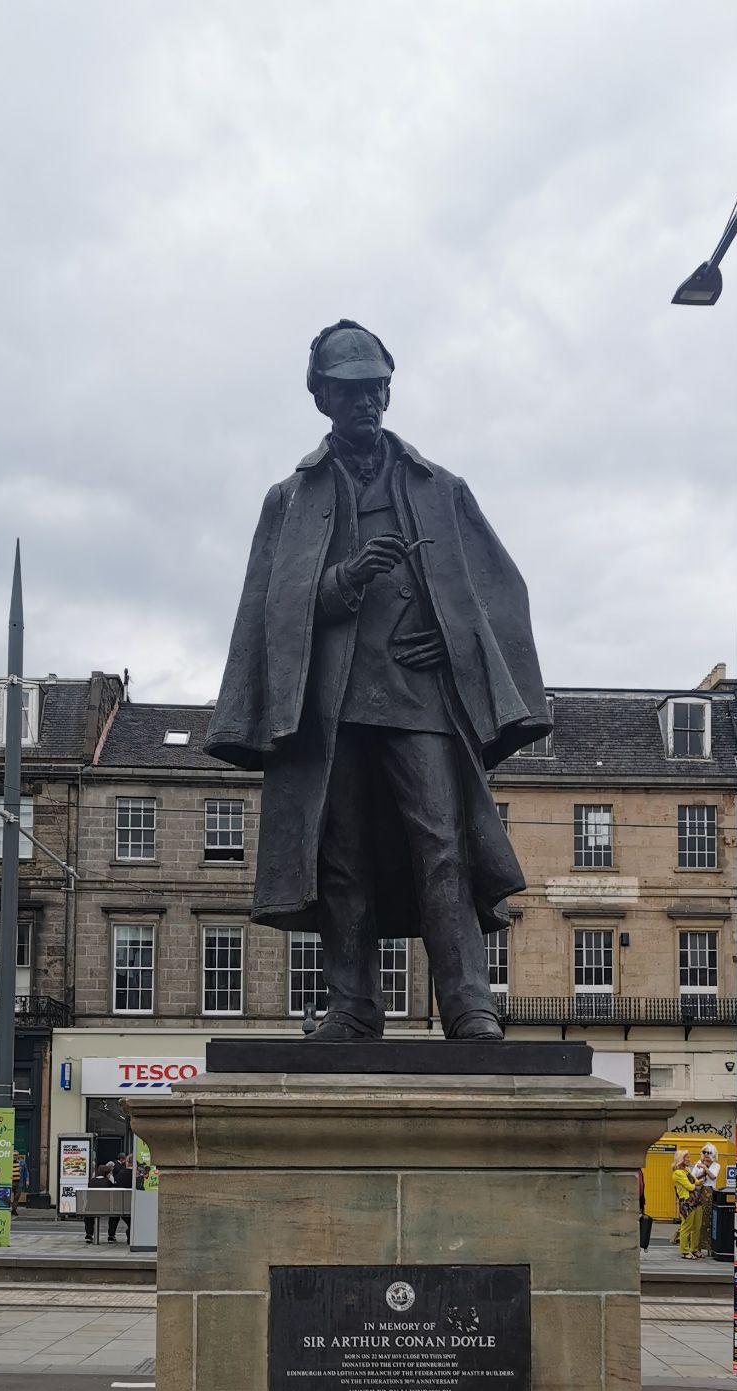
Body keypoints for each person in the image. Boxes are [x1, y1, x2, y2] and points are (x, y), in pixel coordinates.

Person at [207, 320, 551, 1042]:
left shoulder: (441, 489)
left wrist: (451, 641)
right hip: (328, 706)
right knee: (340, 854)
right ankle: (353, 1005)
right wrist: (342, 580)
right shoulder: (289, 498)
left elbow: (499, 595)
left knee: (444, 843)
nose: (367, 401)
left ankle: (468, 1004)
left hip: (418, 699)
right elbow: (269, 609)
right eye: (351, 390)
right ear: (322, 397)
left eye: (377, 388)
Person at [84, 1156, 132, 1244]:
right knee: (114, 1216)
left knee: (89, 1218)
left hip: (91, 1206)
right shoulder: (107, 1182)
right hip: (106, 1206)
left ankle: (89, 1235)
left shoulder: (91, 1181)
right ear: (107, 1173)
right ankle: (111, 1235)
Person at [671, 1150, 702, 1259]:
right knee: (686, 1227)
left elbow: (696, 1182)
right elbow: (691, 1187)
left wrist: (696, 1183)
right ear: (681, 1159)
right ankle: (684, 1251)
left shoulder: (687, 1170)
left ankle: (694, 1249)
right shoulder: (678, 1173)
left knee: (697, 1227)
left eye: (689, 1157)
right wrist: (695, 1184)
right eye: (687, 1157)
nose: (689, 1159)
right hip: (687, 1202)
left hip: (696, 1200)